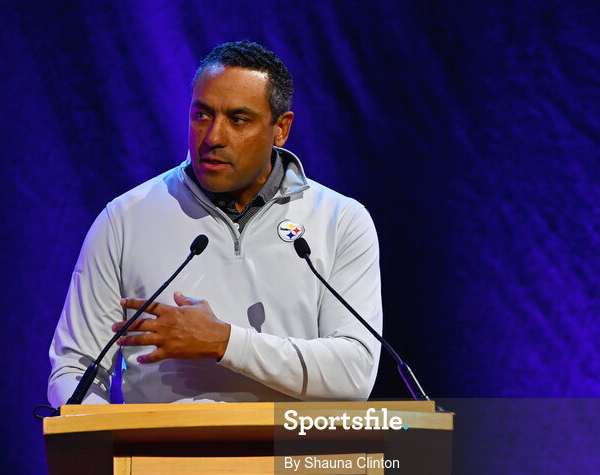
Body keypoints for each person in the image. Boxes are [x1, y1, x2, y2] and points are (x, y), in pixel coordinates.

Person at [47, 41, 382, 405]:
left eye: (238, 119)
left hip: (295, 459)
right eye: (202, 115)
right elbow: (75, 368)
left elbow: (354, 374)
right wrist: (108, 446)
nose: (213, 137)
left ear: (281, 129)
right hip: (161, 459)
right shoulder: (126, 218)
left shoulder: (340, 220)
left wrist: (225, 342)